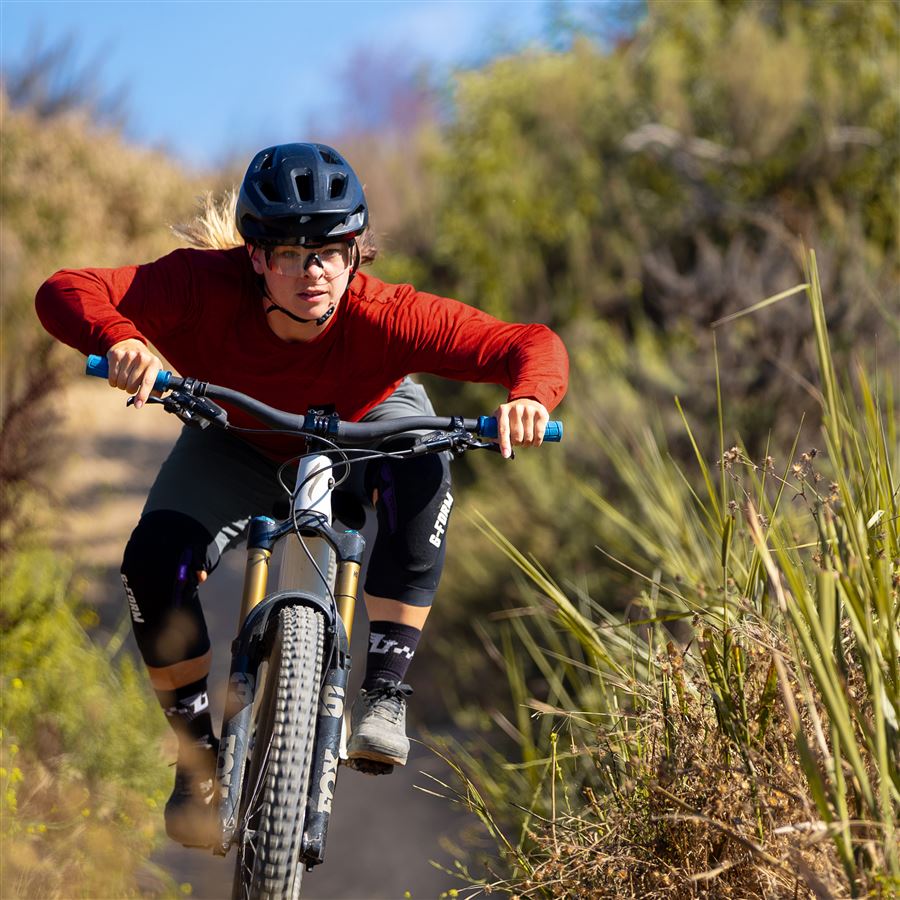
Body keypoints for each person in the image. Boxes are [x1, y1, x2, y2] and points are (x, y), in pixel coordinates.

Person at [35, 142, 568, 845]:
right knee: (153, 563)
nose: (312, 273)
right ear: (255, 256)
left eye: (330, 253)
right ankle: (196, 757)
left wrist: (530, 398)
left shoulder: (388, 314)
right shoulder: (201, 287)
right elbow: (65, 289)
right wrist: (120, 339)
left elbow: (529, 344)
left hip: (365, 427)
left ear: (355, 253)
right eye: (289, 254)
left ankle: (385, 690)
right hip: (237, 434)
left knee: (423, 467)